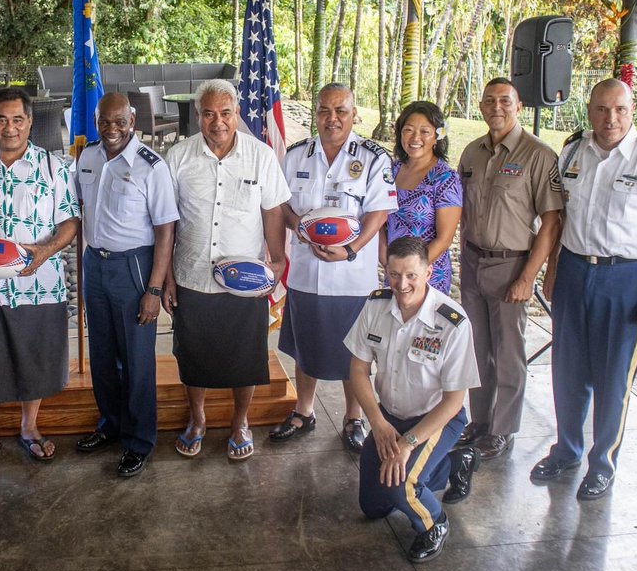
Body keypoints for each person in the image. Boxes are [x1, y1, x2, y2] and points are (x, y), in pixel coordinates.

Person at [532, 78, 637, 501]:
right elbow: (562, 216)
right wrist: (552, 270)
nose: (611, 118)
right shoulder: (572, 151)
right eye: (602, 109)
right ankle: (566, 451)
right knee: (567, 368)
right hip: (572, 269)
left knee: (613, 376)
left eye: (620, 110)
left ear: (632, 110)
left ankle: (602, 463)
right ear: (589, 111)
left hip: (624, 277)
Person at [163, 79, 289, 461]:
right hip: (192, 275)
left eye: (225, 113)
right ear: (198, 116)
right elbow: (165, 221)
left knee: (246, 358)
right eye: (208, 114)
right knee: (193, 355)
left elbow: (272, 211)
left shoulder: (261, 155)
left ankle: (240, 422)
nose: (218, 122)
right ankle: (198, 419)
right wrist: (166, 277)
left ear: (237, 113)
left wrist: (278, 260)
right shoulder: (178, 156)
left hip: (246, 279)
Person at [0, 88, 81, 472]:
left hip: (40, 283)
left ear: (30, 121)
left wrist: (42, 253)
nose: (9, 127)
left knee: (34, 359)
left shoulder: (53, 167)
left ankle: (30, 428)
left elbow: (70, 222)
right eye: (1, 119)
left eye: (17, 119)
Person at [271, 83, 396, 453]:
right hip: (307, 271)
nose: (332, 118)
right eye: (325, 110)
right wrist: (300, 228)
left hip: (351, 276)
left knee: (355, 353)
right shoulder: (296, 155)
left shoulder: (374, 157)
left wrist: (352, 250)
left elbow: (379, 211)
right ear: (315, 113)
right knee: (306, 345)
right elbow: (280, 206)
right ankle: (303, 411)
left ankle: (353, 417)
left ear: (354, 114)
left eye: (341, 111)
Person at [346, 237, 481, 563]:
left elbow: (452, 402)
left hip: (436, 418)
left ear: (428, 272)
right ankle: (452, 464)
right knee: (375, 507)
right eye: (394, 274)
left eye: (411, 275)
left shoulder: (451, 322)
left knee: (401, 486)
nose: (401, 284)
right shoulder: (376, 306)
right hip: (390, 417)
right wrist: (377, 423)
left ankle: (434, 524)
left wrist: (407, 444)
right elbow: (358, 371)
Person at [456, 78, 563, 459]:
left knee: (509, 353)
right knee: (477, 348)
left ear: (518, 106)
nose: (496, 107)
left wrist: (527, 277)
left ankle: (503, 430)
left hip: (512, 265)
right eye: (489, 101)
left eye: (505, 100)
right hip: (472, 261)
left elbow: (551, 222)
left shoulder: (538, 155)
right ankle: (480, 421)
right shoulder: (472, 153)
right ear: (481, 107)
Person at [73, 93, 178, 477]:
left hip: (134, 267)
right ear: (96, 121)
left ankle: (139, 441)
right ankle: (111, 425)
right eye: (105, 122)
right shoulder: (87, 157)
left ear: (133, 119)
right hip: (95, 266)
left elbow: (166, 230)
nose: (112, 130)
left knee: (136, 360)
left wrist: (153, 289)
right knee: (102, 355)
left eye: (120, 122)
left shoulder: (151, 166)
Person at [379, 101, 462, 294]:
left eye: (425, 131)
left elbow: (444, 239)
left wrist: (410, 272)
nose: (416, 137)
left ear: (437, 137)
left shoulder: (445, 179)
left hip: (426, 275)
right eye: (408, 130)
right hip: (393, 272)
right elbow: (379, 220)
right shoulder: (391, 170)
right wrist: (389, 264)